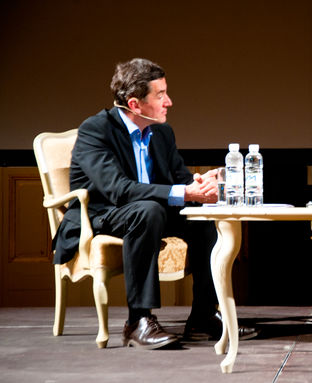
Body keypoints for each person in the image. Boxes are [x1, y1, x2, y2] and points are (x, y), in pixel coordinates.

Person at [53, 58, 257, 349]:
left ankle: (202, 316)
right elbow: (118, 190)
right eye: (160, 95)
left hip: (149, 212)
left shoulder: (162, 132)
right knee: (147, 210)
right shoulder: (96, 130)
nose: (169, 102)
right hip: (101, 214)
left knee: (204, 217)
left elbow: (180, 178)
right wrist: (186, 193)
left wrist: (201, 183)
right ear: (135, 104)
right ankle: (138, 320)